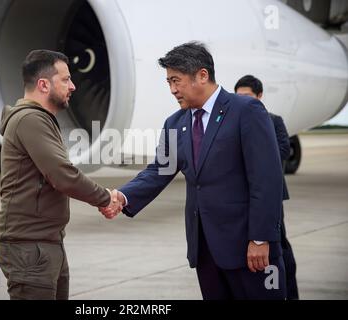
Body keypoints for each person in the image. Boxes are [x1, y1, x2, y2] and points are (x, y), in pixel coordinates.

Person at [100, 42, 286, 299]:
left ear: (202, 75)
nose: (173, 90)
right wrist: (124, 196)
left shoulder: (246, 110)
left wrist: (260, 238)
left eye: (176, 81)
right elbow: (158, 170)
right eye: (168, 83)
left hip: (249, 248)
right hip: (205, 248)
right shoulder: (175, 123)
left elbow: (267, 180)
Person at [0, 49, 122, 300]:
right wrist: (105, 198)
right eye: (65, 79)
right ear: (43, 84)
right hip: (30, 246)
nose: (73, 86)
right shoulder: (30, 119)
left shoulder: (40, 119)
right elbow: (62, 175)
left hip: (45, 242)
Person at [235, 74, 299, 300]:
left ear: (259, 96)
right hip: (244, 195)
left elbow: (283, 151)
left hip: (271, 195)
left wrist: (256, 159)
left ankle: (288, 293)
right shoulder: (234, 121)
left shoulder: (273, 120)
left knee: (278, 244)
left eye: (247, 96)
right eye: (238, 96)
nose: (242, 100)